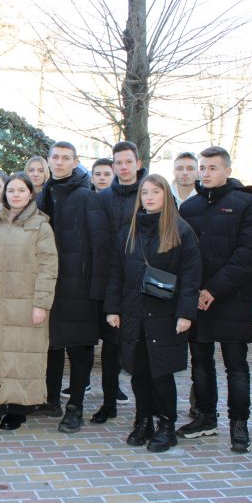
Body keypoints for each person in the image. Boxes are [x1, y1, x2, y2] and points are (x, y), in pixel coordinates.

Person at [176, 146, 252, 453]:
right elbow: (183, 255)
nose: (206, 173)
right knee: (200, 364)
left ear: (227, 169)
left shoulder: (245, 204)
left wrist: (213, 290)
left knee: (236, 367)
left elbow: (249, 253)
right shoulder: (189, 208)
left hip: (232, 300)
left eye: (213, 167)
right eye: (203, 167)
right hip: (197, 302)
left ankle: (239, 423)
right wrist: (194, 292)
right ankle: (205, 417)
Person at [105, 174, 201, 452]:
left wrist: (185, 314)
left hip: (165, 315)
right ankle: (143, 420)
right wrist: (112, 308)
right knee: (139, 374)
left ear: (166, 195)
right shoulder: (129, 231)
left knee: (162, 374)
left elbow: (191, 277)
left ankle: (166, 425)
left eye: (155, 192)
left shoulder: (181, 231)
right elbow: (116, 273)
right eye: (144, 192)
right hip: (134, 313)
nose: (148, 197)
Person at [0, 173, 58, 431]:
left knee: (20, 357)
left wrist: (42, 304)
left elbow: (48, 268)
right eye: (11, 190)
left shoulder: (41, 227)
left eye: (21, 190)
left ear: (31, 194)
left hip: (25, 305)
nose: (15, 195)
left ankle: (17, 410)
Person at [35, 141, 110, 432]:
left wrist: (96, 289)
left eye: (66, 158)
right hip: (50, 283)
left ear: (76, 161)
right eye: (55, 157)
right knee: (51, 345)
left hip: (79, 287)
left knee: (78, 349)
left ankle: (75, 406)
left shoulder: (86, 196)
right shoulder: (44, 195)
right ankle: (50, 398)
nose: (60, 162)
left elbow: (100, 246)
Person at [91, 141, 147, 424]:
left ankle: (146, 410)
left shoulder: (151, 194)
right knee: (110, 348)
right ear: (113, 167)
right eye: (118, 163)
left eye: (128, 161)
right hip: (109, 284)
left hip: (142, 286)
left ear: (138, 163)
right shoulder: (101, 199)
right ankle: (109, 401)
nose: (123, 167)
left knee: (141, 349)